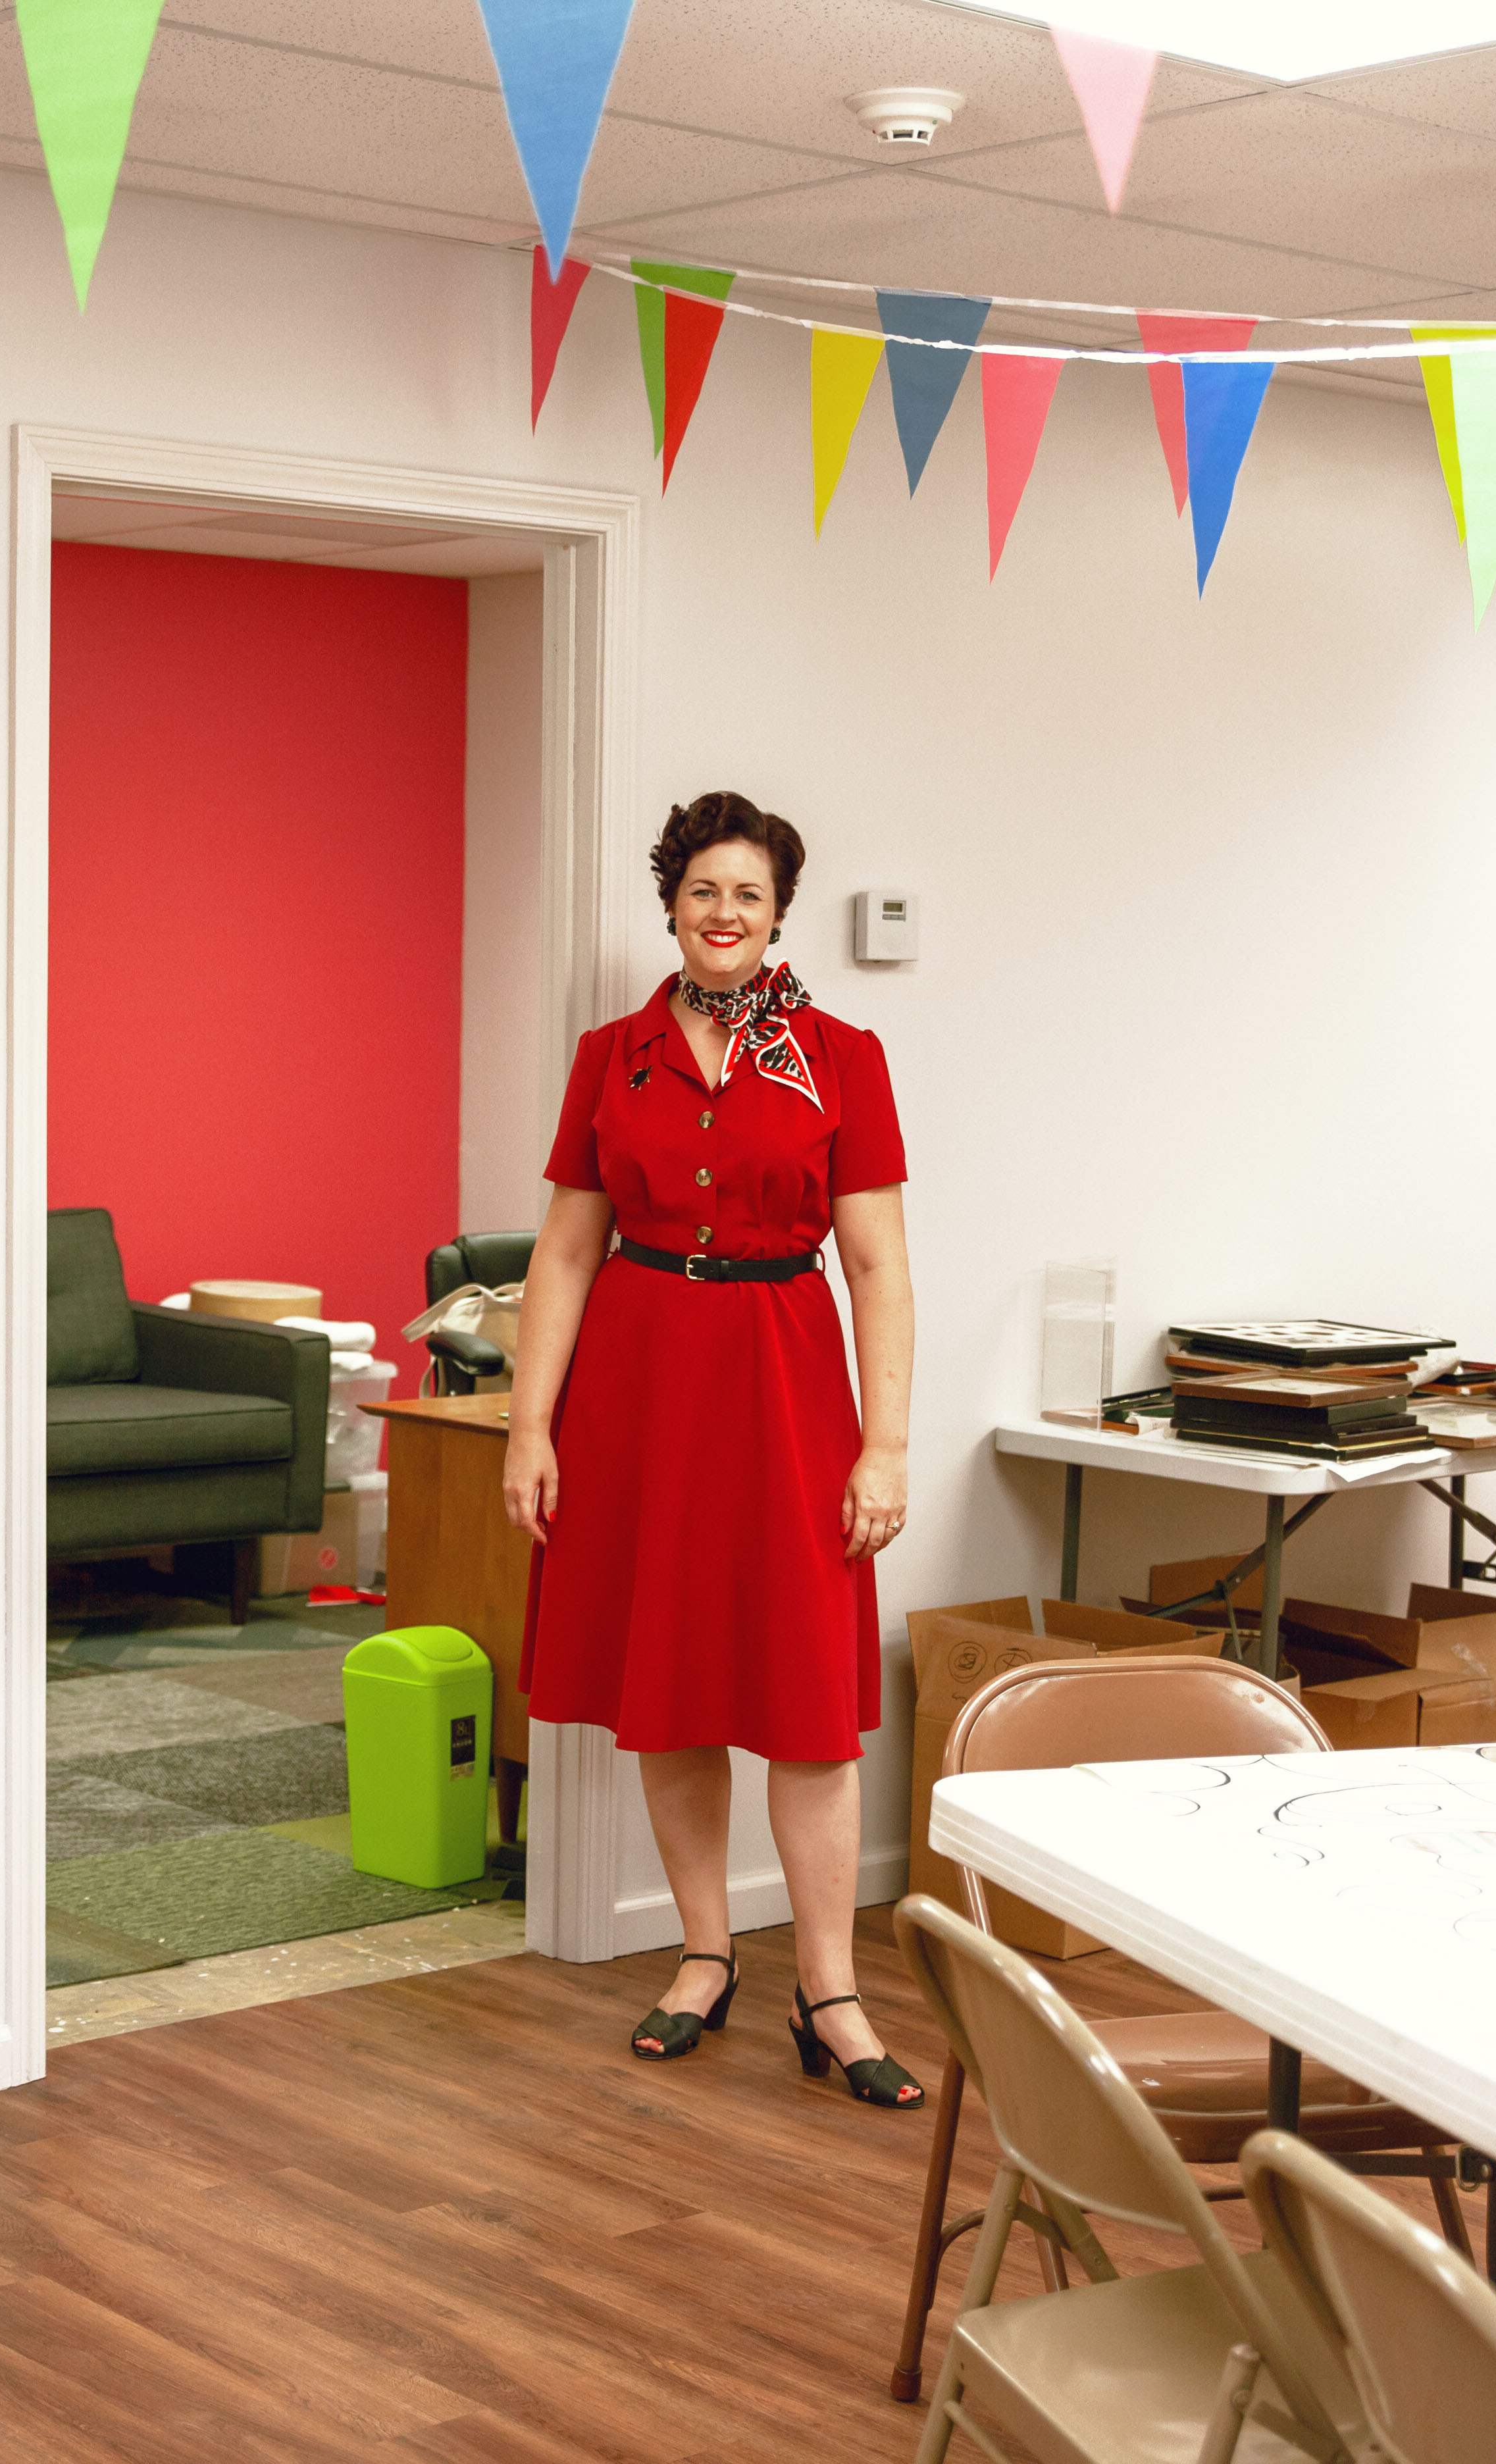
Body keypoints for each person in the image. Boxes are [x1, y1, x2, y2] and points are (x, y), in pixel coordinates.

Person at [500, 790, 923, 2110]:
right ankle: (703, 1956)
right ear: (672, 907)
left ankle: (829, 1992)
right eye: (702, 892)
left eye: (748, 894)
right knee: (671, 1677)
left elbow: (879, 1267)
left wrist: (886, 1445)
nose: (724, 913)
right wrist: (529, 1423)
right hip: (638, 1389)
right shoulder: (611, 1057)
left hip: (786, 1381)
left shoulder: (841, 1058)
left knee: (807, 1702)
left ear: (779, 913)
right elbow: (566, 1251)